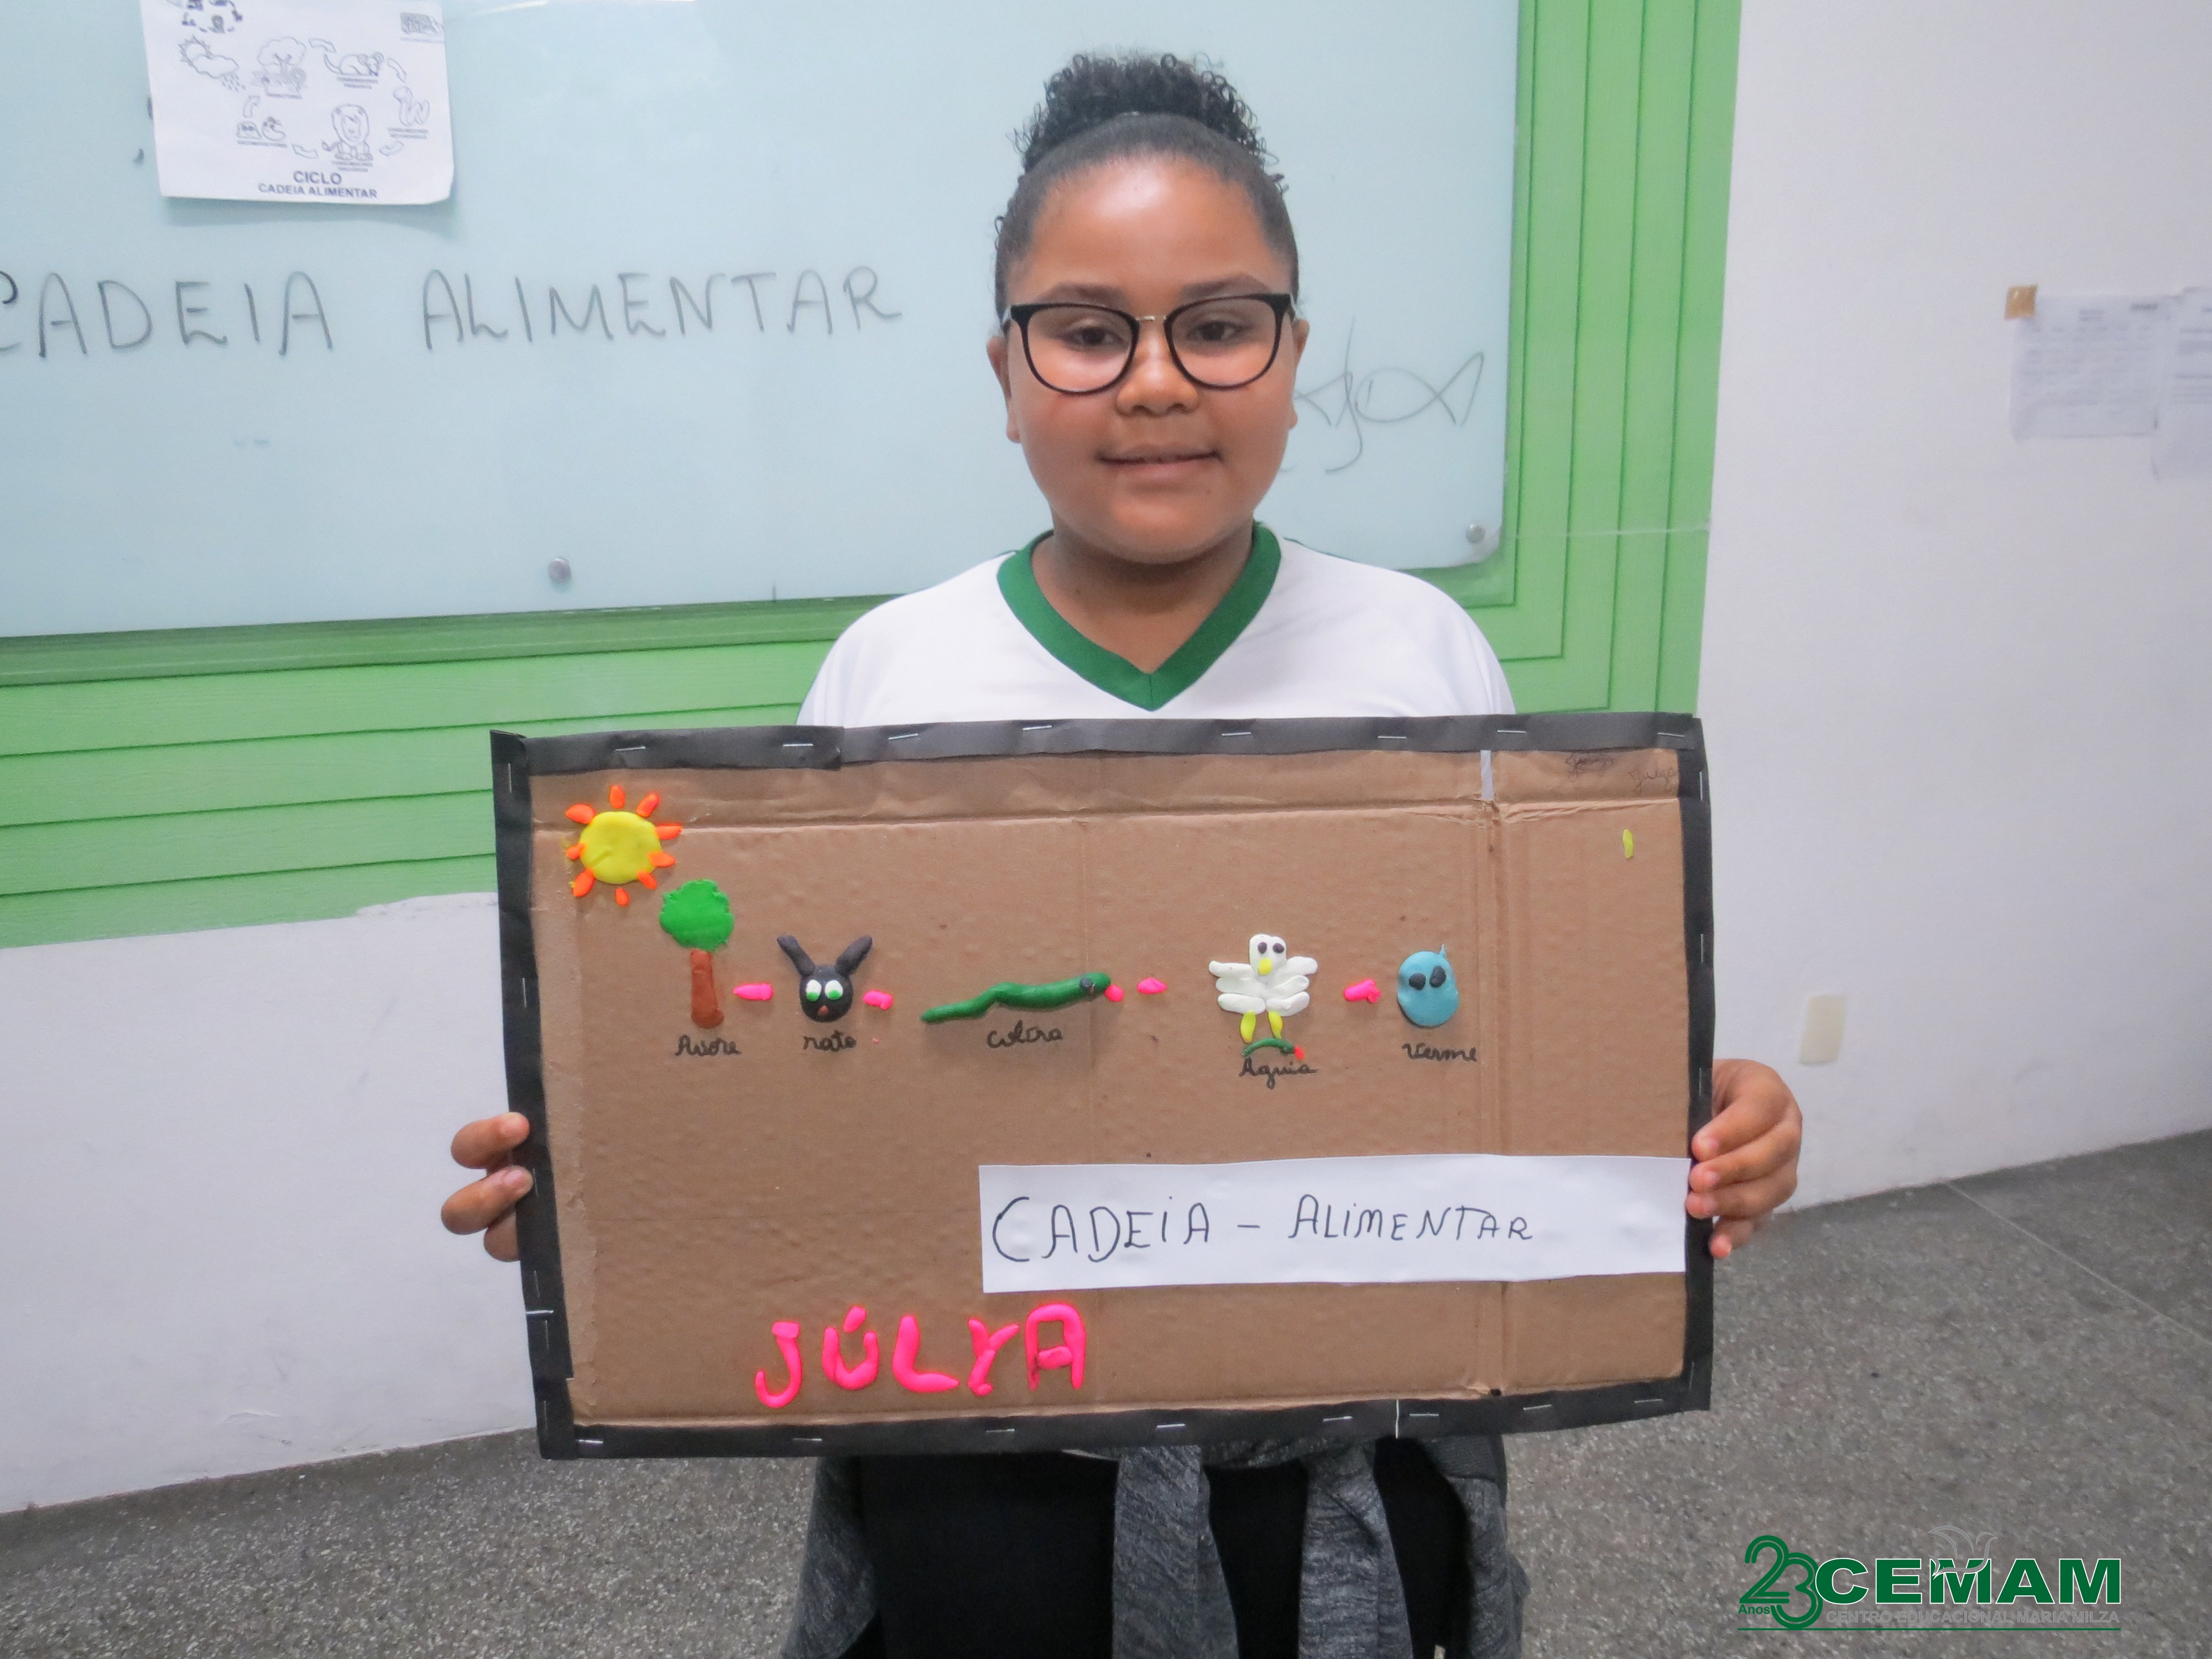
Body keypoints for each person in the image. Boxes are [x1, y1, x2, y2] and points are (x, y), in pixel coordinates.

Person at [442, 53, 1803, 1659]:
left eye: (1218, 325)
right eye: (1088, 333)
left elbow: (1497, 1031)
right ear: (1006, 370)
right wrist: (618, 1196)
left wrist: (1692, 1122)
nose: (1155, 382)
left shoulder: (1422, 655)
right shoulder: (892, 673)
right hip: (988, 1466)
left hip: (1342, 1462)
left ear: (1294, 354)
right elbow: (817, 1070)